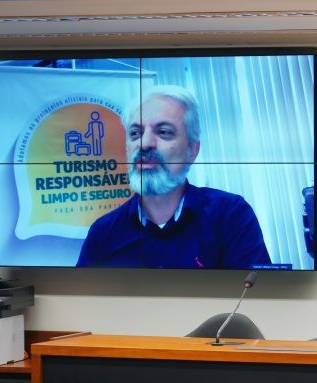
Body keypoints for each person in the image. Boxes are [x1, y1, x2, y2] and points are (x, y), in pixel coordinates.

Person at [77, 85, 271, 268]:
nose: (144, 144)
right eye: (135, 133)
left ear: (192, 151)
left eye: (164, 132)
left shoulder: (230, 215)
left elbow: (256, 298)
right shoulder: (102, 233)